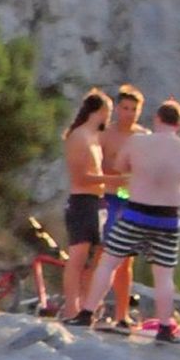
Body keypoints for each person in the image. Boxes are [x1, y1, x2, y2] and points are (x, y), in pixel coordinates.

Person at [76, 100, 180, 342]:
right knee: (164, 275)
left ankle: (87, 312)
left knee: (109, 262)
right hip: (168, 218)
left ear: (157, 119)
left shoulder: (139, 141)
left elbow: (121, 167)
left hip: (136, 212)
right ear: (179, 124)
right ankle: (165, 328)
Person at [91, 85, 148, 331]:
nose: (129, 113)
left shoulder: (143, 137)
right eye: (125, 108)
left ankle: (122, 314)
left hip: (131, 200)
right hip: (108, 198)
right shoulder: (106, 134)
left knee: (126, 261)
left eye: (134, 109)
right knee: (102, 254)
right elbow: (94, 167)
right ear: (118, 110)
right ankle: (91, 307)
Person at [59, 90, 114, 318]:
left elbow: (100, 178)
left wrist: (122, 189)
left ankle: (85, 304)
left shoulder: (95, 138)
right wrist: (119, 180)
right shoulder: (78, 136)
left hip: (97, 202)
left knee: (96, 258)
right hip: (81, 201)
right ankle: (71, 308)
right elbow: (82, 177)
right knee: (78, 257)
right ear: (101, 112)